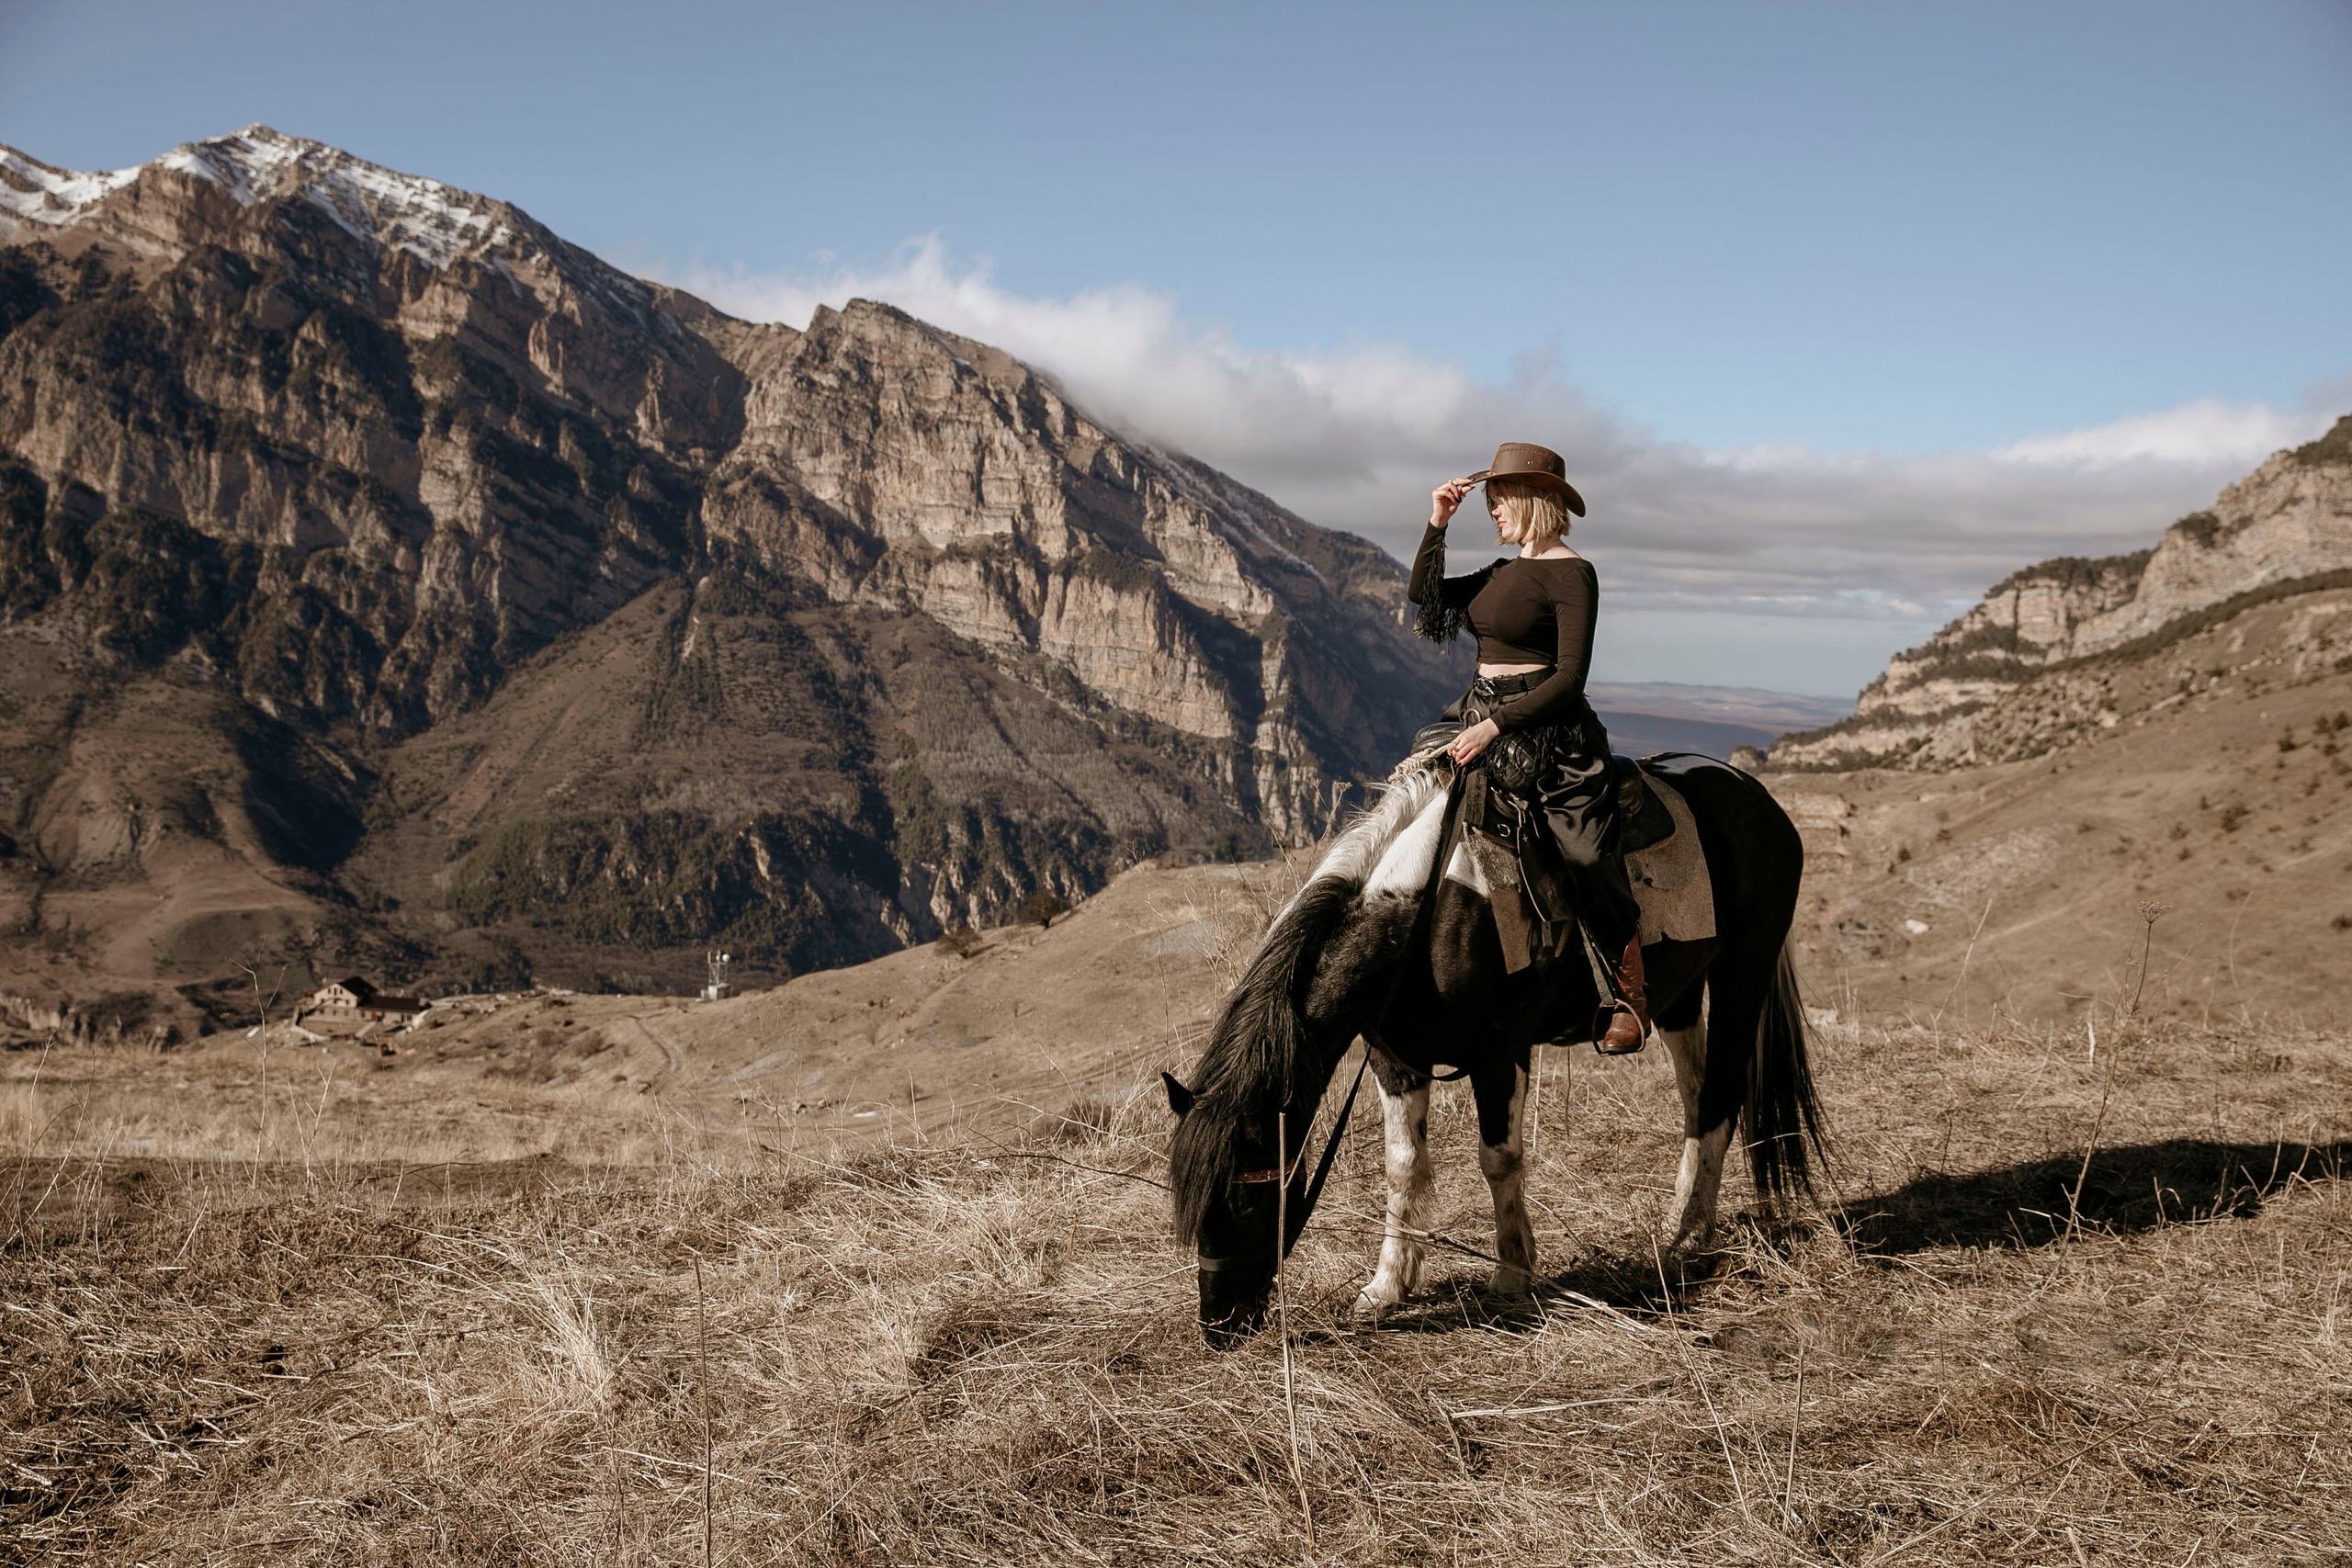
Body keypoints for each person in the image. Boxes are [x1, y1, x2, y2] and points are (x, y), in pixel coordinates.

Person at [1407, 441, 1648, 1054]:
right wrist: (1437, 522)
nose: (1492, 511)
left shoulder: (1573, 573)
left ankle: (1629, 990)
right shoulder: (1498, 574)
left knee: (1586, 851)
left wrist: (1497, 727)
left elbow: (1572, 677)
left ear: (1537, 500)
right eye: (1487, 501)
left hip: (1550, 731)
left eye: (1500, 499)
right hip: (1475, 712)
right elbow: (1425, 601)